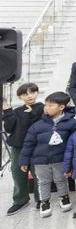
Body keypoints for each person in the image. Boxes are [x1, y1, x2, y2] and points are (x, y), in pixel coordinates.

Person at [19, 91, 76, 218]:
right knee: (43, 182)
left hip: (60, 159)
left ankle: (64, 197)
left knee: (61, 179)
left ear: (61, 107)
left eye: (50, 105)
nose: (46, 108)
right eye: (46, 105)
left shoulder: (72, 123)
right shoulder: (37, 125)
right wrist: (24, 160)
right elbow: (28, 143)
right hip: (40, 161)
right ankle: (44, 202)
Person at [2, 82, 43, 215]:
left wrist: (31, 114)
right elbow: (9, 128)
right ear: (20, 97)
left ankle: (41, 198)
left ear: (37, 93)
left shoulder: (42, 108)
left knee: (37, 174)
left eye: (32, 92)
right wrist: (7, 111)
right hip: (18, 147)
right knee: (17, 173)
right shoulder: (17, 111)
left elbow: (42, 125)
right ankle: (20, 200)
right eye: (25, 94)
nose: (29, 96)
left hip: (36, 147)